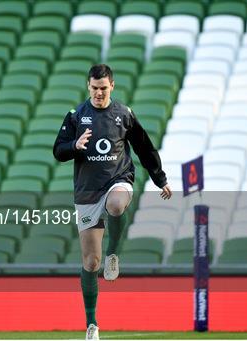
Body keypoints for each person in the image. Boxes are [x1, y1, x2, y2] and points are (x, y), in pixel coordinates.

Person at [53, 64, 172, 340]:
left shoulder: (123, 114)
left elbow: (144, 147)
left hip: (118, 179)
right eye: (94, 88)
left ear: (112, 86)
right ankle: (92, 324)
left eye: (103, 88)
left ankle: (114, 252)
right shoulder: (75, 116)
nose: (98, 93)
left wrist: (160, 178)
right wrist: (74, 146)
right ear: (88, 87)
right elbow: (58, 150)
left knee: (117, 205)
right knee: (90, 262)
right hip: (86, 192)